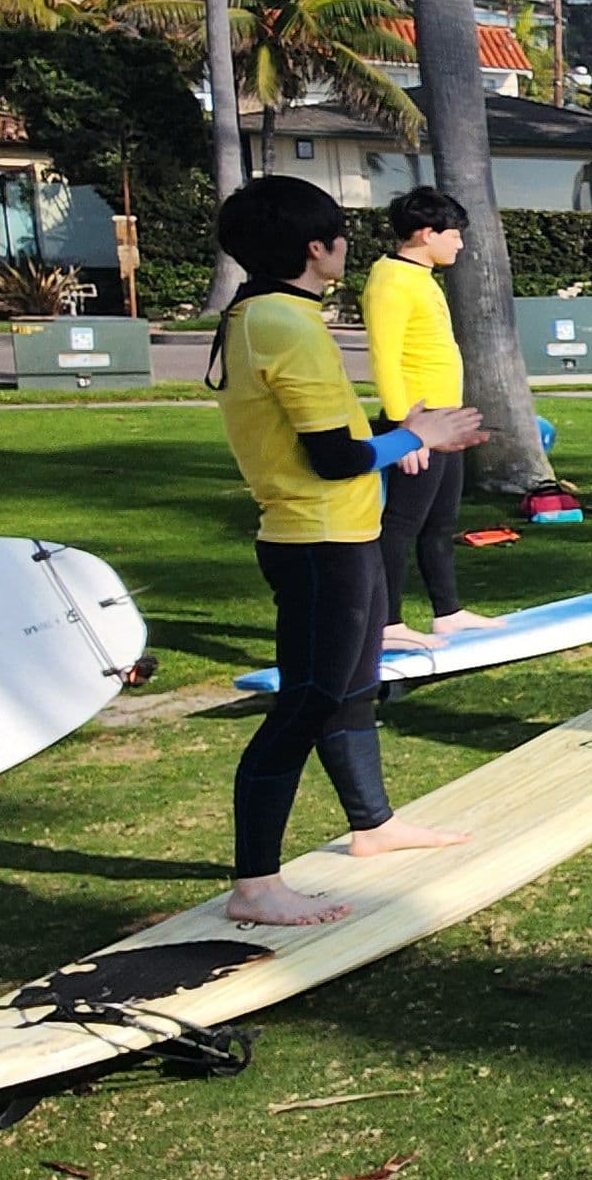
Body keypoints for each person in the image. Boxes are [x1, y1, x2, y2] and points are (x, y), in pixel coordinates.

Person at [208, 176, 487, 926]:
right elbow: (333, 456)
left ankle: (374, 823)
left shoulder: (267, 313)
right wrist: (419, 436)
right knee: (305, 704)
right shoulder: (284, 324)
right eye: (338, 233)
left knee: (351, 688)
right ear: (314, 248)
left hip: (345, 535)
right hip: (316, 539)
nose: (345, 245)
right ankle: (255, 883)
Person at [364, 186, 498, 648]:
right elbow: (384, 356)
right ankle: (387, 623)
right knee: (401, 525)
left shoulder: (420, 277)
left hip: (446, 418)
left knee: (441, 522)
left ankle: (449, 612)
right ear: (426, 234)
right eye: (454, 235)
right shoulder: (391, 279)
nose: (459, 244)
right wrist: (406, 430)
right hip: (418, 423)